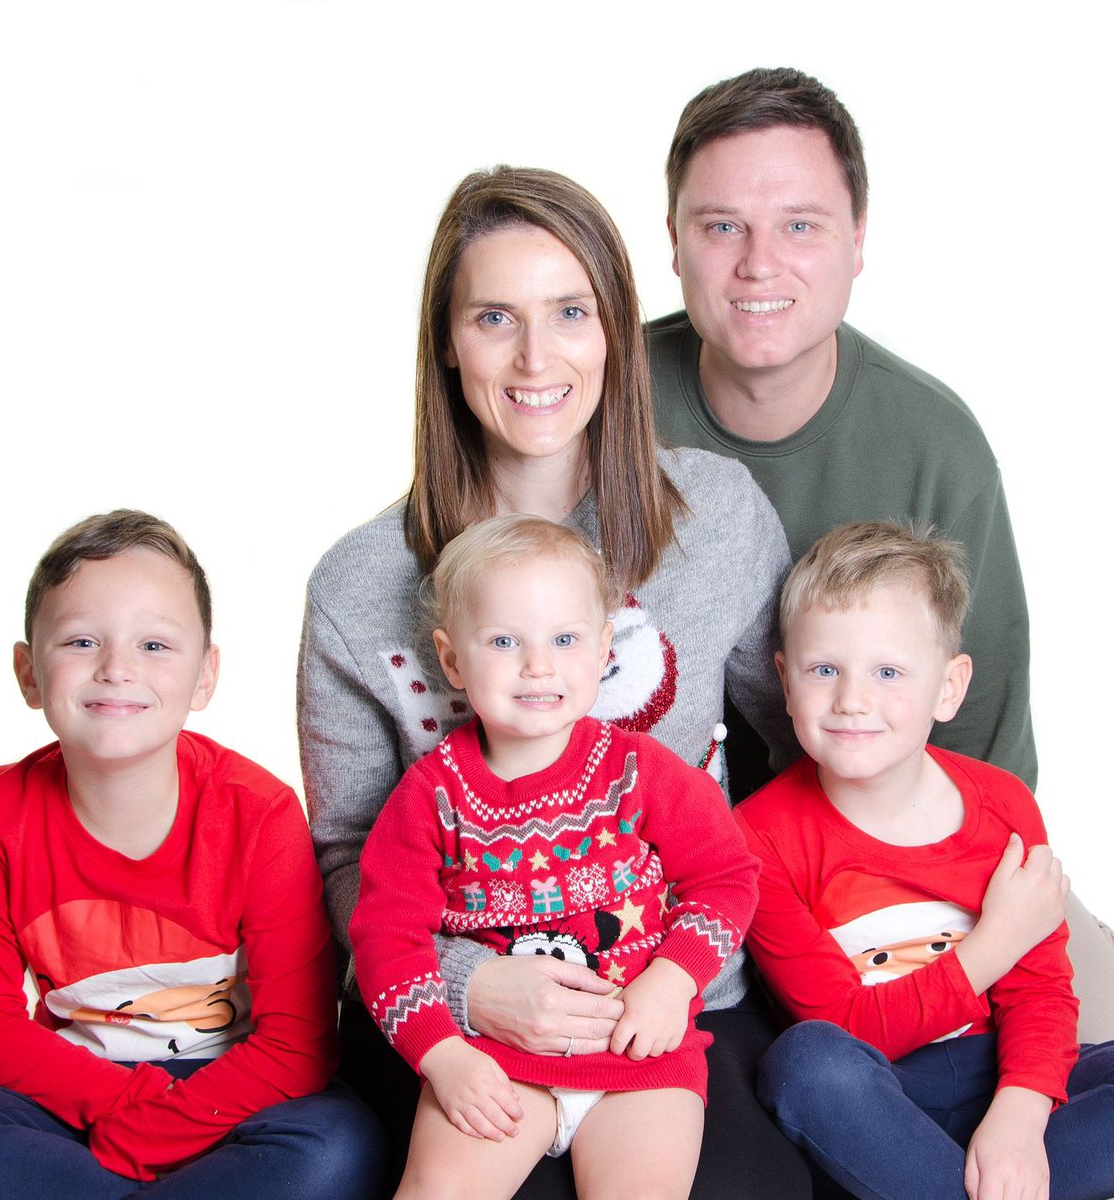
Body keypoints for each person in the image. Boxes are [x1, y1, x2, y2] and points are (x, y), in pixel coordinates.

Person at [299, 166, 810, 1197]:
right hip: (456, 1011)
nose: (537, 357)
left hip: (674, 1003)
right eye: (495, 317)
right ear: (447, 340)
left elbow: (808, 751)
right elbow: (351, 857)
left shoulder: (718, 518)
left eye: (570, 311)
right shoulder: (360, 587)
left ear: (616, 329)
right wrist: (470, 987)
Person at [0, 510, 384, 1200]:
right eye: (80, 640)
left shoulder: (258, 812)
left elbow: (296, 1044)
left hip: (239, 1094)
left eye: (155, 646)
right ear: (28, 672)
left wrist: (156, 1132)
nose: (116, 669)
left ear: (204, 676)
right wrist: (127, 1111)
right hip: (72, 1094)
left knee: (340, 1146)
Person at [351, 515, 760, 1199]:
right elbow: (385, 938)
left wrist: (673, 980)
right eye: (505, 641)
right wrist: (443, 1055)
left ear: (603, 651)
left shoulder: (639, 771)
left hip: (640, 1055)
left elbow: (726, 878)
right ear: (452, 659)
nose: (538, 665)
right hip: (495, 1060)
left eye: (564, 639)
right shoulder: (431, 797)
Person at [648, 66, 1033, 790]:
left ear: (856, 240)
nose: (759, 264)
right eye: (722, 226)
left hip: (861, 856)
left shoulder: (937, 450)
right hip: (625, 859)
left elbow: (984, 756)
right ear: (674, 240)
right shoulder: (594, 402)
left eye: (801, 225)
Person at [735, 521, 1114, 1200]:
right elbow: (845, 1026)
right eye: (826, 670)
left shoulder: (1001, 805)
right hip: (878, 1096)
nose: (852, 700)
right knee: (804, 1065)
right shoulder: (757, 837)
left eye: (887, 672)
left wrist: (1020, 1120)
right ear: (787, 683)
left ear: (949, 686)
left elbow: (1040, 992)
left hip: (1001, 1077)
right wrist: (994, 941)